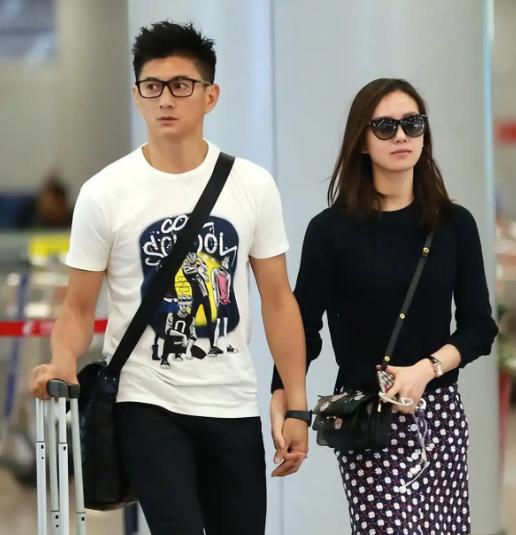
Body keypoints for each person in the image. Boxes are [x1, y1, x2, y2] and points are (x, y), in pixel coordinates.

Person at [29, 21, 309, 535]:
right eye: (152, 86)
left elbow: (278, 300)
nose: (165, 99)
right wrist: (64, 359)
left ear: (210, 96)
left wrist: (297, 405)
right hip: (146, 402)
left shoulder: (252, 186)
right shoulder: (104, 193)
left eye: (181, 85)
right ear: (137, 94)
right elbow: (77, 306)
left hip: (232, 400)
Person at [270, 78, 498, 535]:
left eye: (413, 124)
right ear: (362, 140)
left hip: (440, 417)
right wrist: (286, 400)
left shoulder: (454, 224)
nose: (401, 136)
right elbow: (303, 328)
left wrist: (426, 370)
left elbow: (479, 326)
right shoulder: (330, 231)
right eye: (385, 126)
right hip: (368, 421)